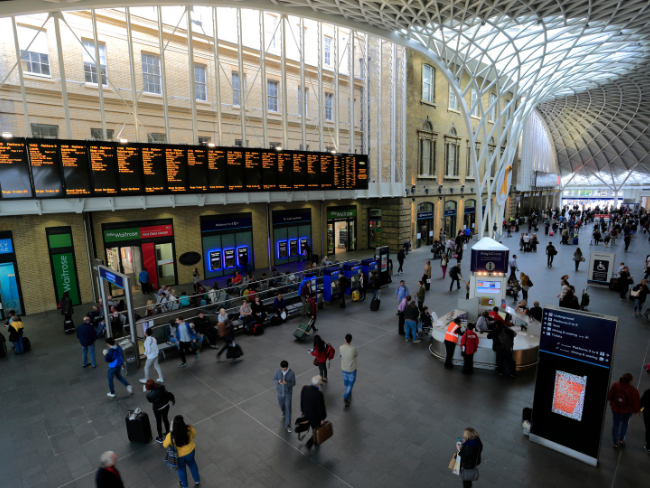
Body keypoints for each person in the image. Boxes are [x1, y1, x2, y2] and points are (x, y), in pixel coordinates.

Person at [163, 416, 200, 488]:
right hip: (190, 452)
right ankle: (197, 480)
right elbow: (194, 435)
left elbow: (165, 445)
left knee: (181, 470)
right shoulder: (190, 429)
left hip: (178, 456)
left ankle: (184, 485)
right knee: (192, 464)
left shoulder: (171, 436)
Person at [608, 373, 641, 448]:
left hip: (616, 409)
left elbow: (610, 396)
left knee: (616, 424)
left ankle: (615, 442)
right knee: (625, 423)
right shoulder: (634, 391)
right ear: (631, 381)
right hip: (628, 411)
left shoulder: (616, 385)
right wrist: (637, 411)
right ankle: (621, 439)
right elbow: (636, 402)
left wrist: (611, 401)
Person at [300, 376, 327, 449]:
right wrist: (322, 418)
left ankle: (316, 441)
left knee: (313, 428)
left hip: (306, 413)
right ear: (318, 384)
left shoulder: (305, 388)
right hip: (315, 417)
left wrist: (302, 410)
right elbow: (320, 407)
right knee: (316, 430)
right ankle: (309, 444)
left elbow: (302, 400)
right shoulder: (318, 394)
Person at [145, 379, 174, 443]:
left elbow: (151, 401)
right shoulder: (161, 387)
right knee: (165, 419)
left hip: (158, 409)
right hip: (166, 405)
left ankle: (160, 438)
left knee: (158, 422)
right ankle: (167, 433)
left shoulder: (149, 395)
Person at [273, 360, 296, 433]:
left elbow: (293, 383)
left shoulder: (291, 373)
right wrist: (278, 382)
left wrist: (287, 383)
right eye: (282, 369)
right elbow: (274, 379)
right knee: (281, 405)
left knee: (288, 408)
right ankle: (283, 411)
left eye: (284, 369)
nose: (283, 370)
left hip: (288, 394)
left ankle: (288, 425)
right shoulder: (277, 371)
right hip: (279, 393)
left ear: (287, 367)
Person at [340, 334, 358, 406]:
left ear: (345, 339)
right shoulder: (353, 349)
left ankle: (348, 393)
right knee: (350, 384)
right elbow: (356, 355)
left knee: (346, 383)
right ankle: (346, 397)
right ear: (351, 340)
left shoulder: (341, 347)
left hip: (344, 368)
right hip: (351, 369)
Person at [641, 388, 650, 453]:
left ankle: (649, 447)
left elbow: (642, 402)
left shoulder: (648, 392)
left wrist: (641, 410)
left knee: (648, 429)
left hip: (648, 414)